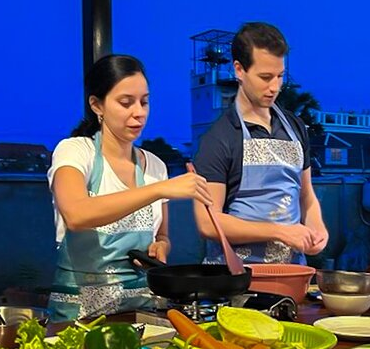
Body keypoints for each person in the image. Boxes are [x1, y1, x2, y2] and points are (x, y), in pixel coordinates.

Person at [47, 54, 212, 321]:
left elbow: (163, 237)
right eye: (126, 103)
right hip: (79, 317)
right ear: (97, 105)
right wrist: (160, 189)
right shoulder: (76, 151)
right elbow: (77, 215)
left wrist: (161, 246)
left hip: (142, 311)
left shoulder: (156, 166)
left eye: (144, 102)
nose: (139, 112)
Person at [193, 22, 328, 264]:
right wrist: (280, 231)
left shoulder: (295, 127)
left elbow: (306, 197)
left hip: (293, 272)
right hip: (238, 278)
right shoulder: (219, 137)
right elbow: (207, 222)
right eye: (265, 77)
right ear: (239, 70)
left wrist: (317, 229)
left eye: (279, 76)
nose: (274, 87)